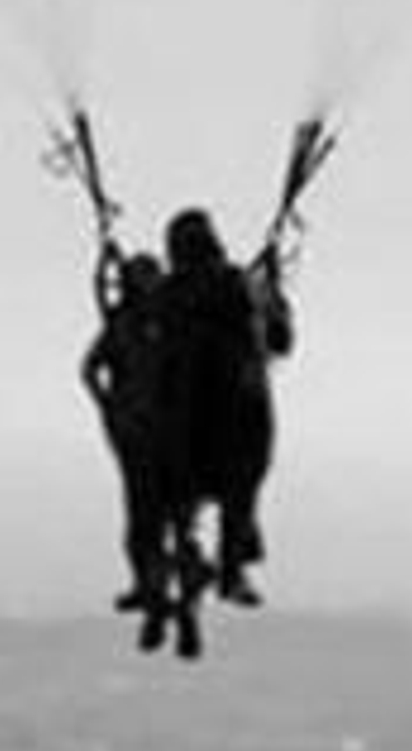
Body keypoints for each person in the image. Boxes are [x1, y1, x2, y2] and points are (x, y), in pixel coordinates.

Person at [156, 208, 294, 608]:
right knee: (241, 492)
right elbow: (281, 339)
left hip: (182, 426)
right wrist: (274, 295)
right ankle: (231, 569)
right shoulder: (241, 286)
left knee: (178, 499)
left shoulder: (166, 297)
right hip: (238, 421)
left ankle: (185, 556)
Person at [81, 250, 190, 652]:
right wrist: (108, 403)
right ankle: (156, 597)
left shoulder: (153, 325)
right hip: (147, 442)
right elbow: (90, 369)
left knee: (163, 526)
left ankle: (162, 599)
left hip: (157, 441)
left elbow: (91, 370)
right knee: (153, 527)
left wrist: (110, 404)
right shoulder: (135, 326)